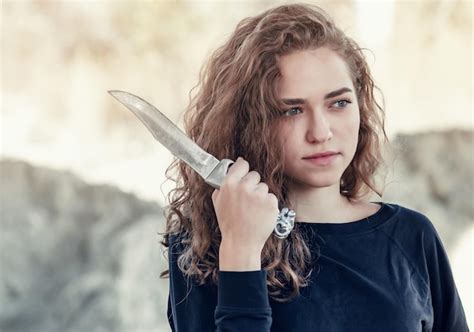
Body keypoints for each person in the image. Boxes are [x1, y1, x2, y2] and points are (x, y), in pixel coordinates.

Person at [159, 3, 469, 331]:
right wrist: (242, 252)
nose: (321, 132)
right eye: (291, 110)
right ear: (250, 123)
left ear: (360, 107)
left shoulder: (412, 236)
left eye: (339, 103)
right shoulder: (207, 248)